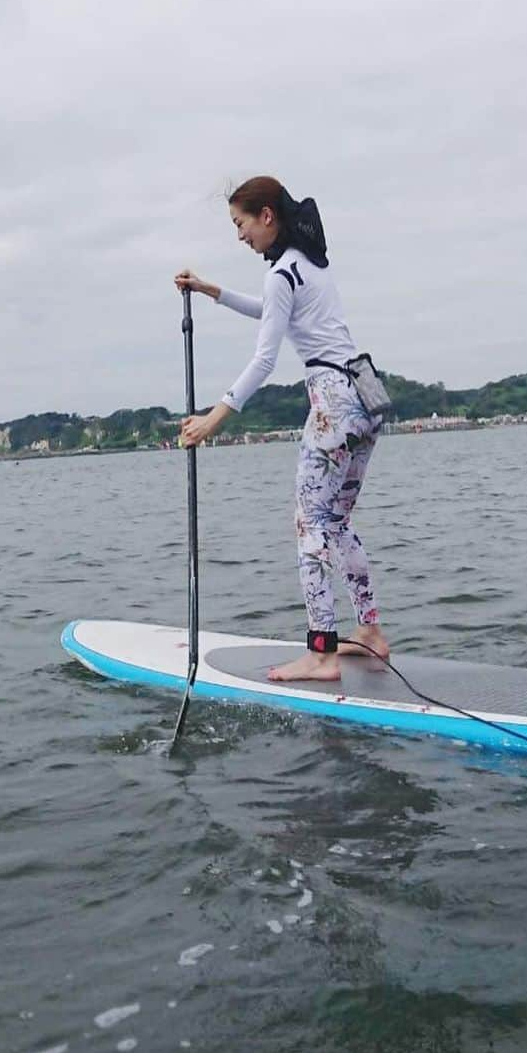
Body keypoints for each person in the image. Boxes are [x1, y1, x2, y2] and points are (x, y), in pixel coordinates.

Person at [174, 176, 389, 683]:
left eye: (241, 224)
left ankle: (321, 653)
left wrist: (214, 417)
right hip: (367, 398)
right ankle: (371, 633)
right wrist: (212, 291)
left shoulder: (283, 273)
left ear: (266, 216)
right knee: (335, 523)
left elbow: (264, 359)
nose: (240, 236)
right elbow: (272, 311)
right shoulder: (308, 262)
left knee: (309, 527)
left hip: (333, 403)